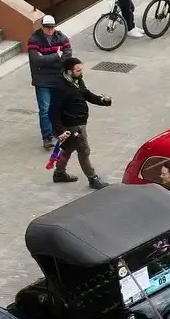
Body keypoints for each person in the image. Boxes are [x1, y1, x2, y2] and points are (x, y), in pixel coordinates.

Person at [48, 57, 112, 189]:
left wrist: (101, 100)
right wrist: (60, 131)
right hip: (73, 125)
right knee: (84, 151)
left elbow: (85, 93)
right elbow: (53, 111)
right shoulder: (60, 87)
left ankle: (59, 173)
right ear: (69, 72)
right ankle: (93, 179)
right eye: (78, 70)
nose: (81, 72)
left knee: (68, 149)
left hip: (79, 121)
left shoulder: (77, 79)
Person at [27, 14, 72, 148]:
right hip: (42, 80)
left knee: (58, 107)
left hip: (58, 78)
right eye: (47, 27)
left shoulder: (62, 38)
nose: (50, 30)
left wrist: (46, 59)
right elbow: (36, 60)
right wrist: (56, 56)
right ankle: (47, 137)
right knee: (45, 110)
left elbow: (67, 56)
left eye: (52, 27)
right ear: (42, 27)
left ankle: (56, 131)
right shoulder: (34, 40)